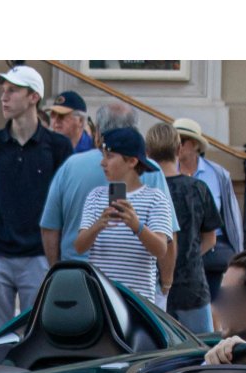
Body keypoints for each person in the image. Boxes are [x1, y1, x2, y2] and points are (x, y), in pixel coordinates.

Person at [0, 66, 71, 326]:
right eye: (3, 90)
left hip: (40, 254)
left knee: (38, 333)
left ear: (33, 97)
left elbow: (67, 203)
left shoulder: (58, 146)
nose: (4, 97)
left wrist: (58, 255)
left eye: (13, 91)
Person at [40, 102, 175, 264]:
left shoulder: (71, 166)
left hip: (78, 270)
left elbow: (50, 227)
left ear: (98, 133)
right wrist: (166, 281)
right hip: (104, 272)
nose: (103, 163)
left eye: (109, 156)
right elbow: (169, 236)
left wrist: (56, 268)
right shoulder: (151, 171)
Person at [74, 127, 174, 303]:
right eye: (103, 156)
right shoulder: (95, 196)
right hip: (100, 300)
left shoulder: (155, 198)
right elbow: (79, 247)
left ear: (132, 161)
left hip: (138, 302)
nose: (102, 163)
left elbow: (160, 249)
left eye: (110, 156)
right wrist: (98, 225)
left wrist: (137, 226)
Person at [147, 121, 219, 332]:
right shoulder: (198, 188)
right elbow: (210, 238)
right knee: (201, 347)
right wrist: (190, 255)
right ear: (179, 149)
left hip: (152, 283)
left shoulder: (144, 190)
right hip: (192, 284)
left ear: (147, 152)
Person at [173, 118, 243, 301]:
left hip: (212, 249)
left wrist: (238, 251)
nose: (177, 145)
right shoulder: (168, 172)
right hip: (179, 244)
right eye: (174, 140)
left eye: (182, 140)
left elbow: (231, 214)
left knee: (215, 304)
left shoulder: (217, 174)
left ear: (195, 144)